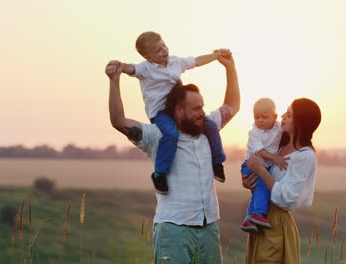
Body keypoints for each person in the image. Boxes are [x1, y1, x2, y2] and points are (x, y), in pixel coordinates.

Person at [106, 52, 240, 263]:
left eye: (202, 107)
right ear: (178, 111)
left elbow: (232, 105)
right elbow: (119, 121)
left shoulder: (208, 129)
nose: (202, 113)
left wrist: (230, 68)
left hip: (209, 228)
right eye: (196, 109)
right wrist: (115, 82)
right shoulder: (157, 136)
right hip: (173, 230)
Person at [108, 31, 228, 194]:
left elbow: (196, 61)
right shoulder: (146, 69)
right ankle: (160, 173)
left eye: (163, 45)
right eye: (158, 50)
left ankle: (217, 163)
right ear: (149, 57)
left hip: (180, 108)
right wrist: (119, 66)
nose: (164, 50)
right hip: (160, 113)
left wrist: (215, 56)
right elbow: (130, 68)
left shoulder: (176, 62)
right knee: (171, 134)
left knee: (211, 126)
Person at [241, 98, 321, 264]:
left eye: (289, 115)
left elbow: (287, 197)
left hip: (276, 223)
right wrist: (249, 182)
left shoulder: (305, 156)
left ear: (300, 123)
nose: (283, 116)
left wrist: (261, 171)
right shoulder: (279, 144)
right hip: (259, 217)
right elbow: (264, 178)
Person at [239, 98, 288, 233]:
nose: (259, 120)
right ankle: (259, 214)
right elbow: (259, 151)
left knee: (256, 191)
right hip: (251, 164)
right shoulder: (254, 133)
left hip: (262, 165)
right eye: (256, 117)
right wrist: (274, 158)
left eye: (264, 117)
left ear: (274, 117)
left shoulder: (278, 127)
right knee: (262, 185)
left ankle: (249, 219)